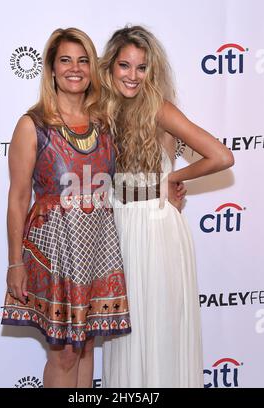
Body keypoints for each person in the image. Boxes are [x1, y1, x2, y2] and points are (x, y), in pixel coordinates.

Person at [100, 25, 234, 388]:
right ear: (110, 67)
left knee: (158, 326)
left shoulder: (159, 108)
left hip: (156, 228)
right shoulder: (101, 112)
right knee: (125, 333)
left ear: (151, 71)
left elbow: (221, 156)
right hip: (119, 228)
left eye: (141, 67)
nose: (132, 76)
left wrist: (172, 180)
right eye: (124, 66)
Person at [1, 27, 132, 388]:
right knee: (65, 353)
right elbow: (17, 198)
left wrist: (166, 187)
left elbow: (118, 184)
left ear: (92, 69)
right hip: (53, 251)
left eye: (83, 60)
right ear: (51, 69)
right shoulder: (33, 125)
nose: (75, 68)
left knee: (87, 346)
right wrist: (15, 263)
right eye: (65, 60)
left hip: (97, 250)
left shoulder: (105, 124)